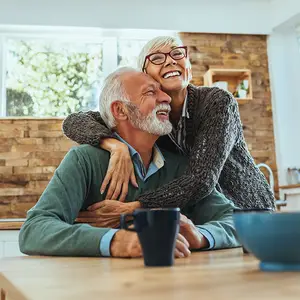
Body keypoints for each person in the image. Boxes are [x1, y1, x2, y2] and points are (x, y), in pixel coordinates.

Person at [19, 67, 239, 258]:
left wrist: (201, 236)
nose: (167, 98)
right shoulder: (84, 160)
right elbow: (34, 229)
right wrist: (118, 241)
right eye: (151, 92)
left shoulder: (181, 166)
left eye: (162, 91)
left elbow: (235, 221)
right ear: (120, 110)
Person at [62, 36, 276, 211]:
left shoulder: (217, 102)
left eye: (177, 53)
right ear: (145, 76)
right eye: (156, 58)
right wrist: (114, 145)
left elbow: (201, 179)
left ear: (188, 67)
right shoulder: (148, 117)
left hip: (248, 211)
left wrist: (135, 207)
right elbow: (74, 121)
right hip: (205, 216)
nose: (170, 61)